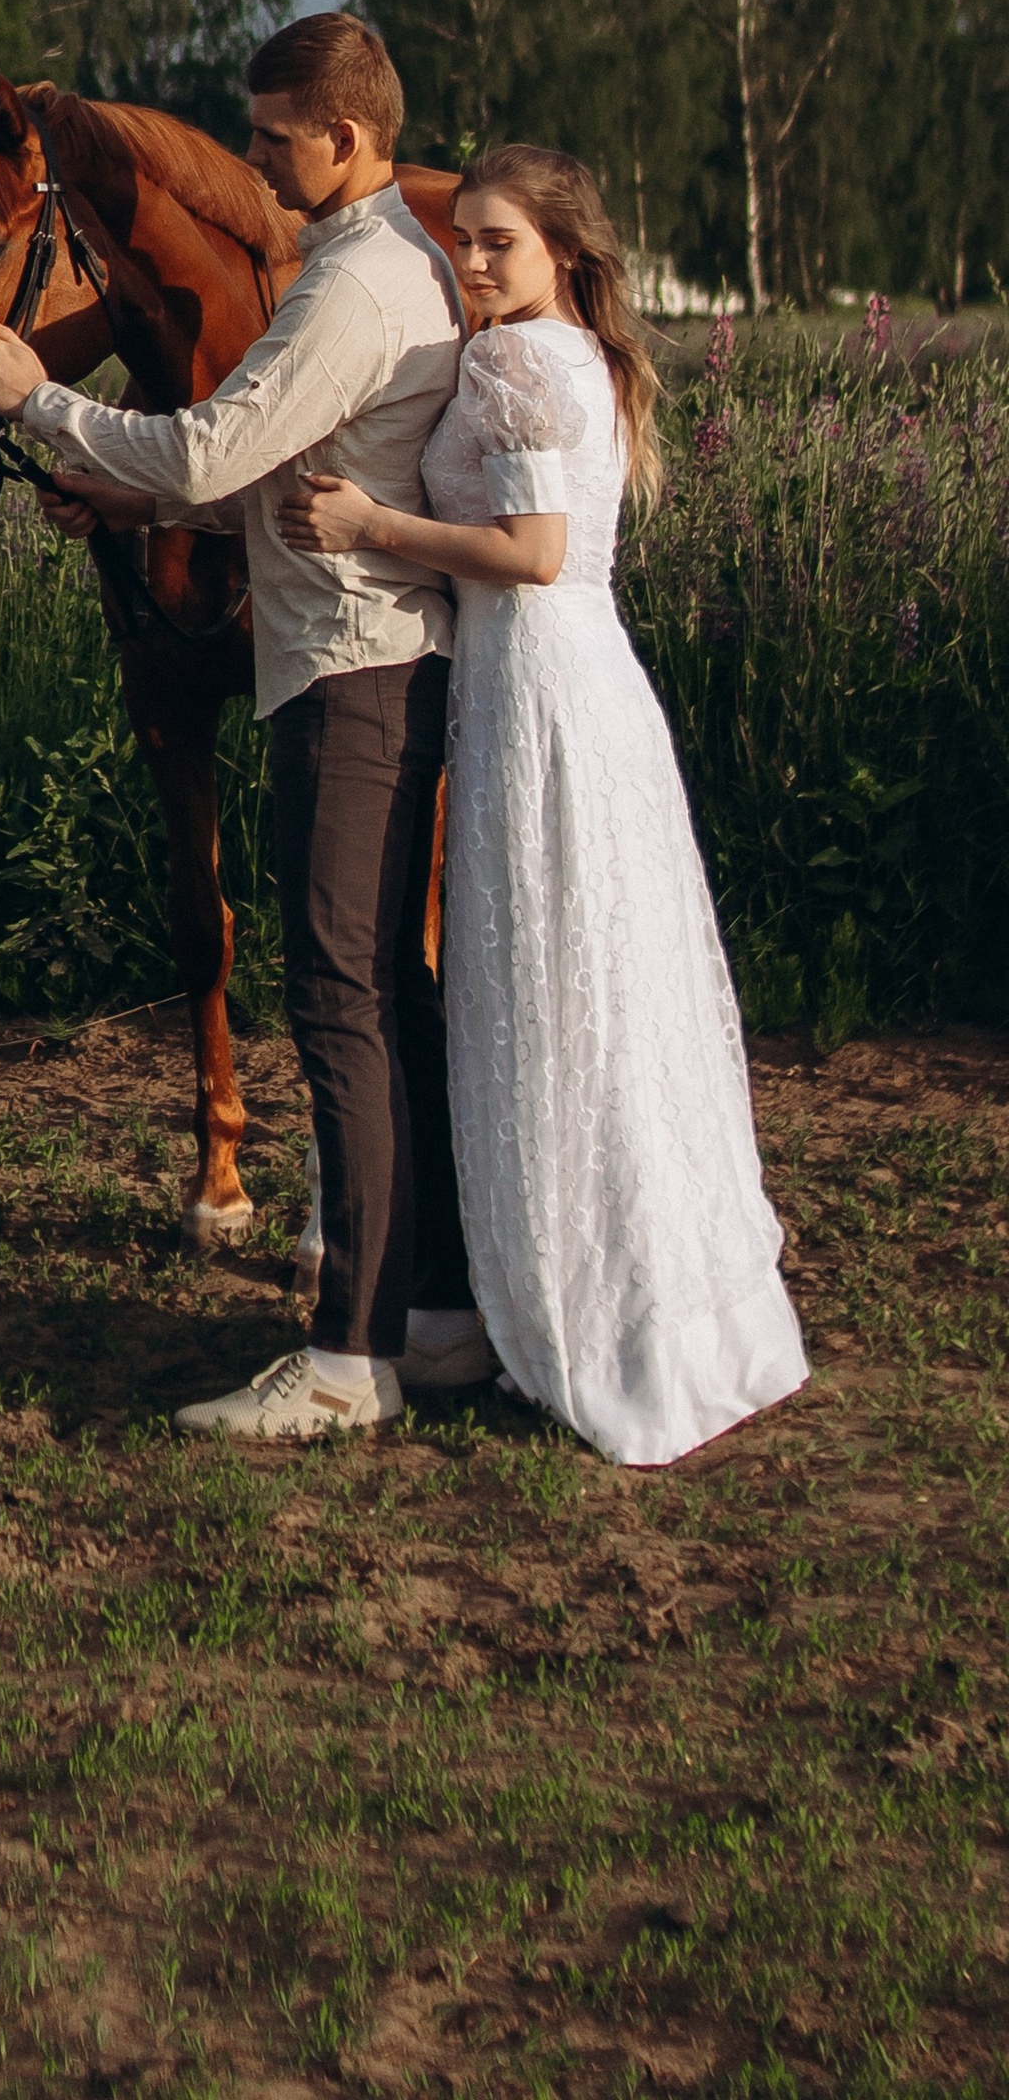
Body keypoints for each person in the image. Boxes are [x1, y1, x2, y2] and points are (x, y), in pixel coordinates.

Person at [0, 11, 487, 1440]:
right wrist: (132, 501)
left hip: (349, 674)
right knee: (391, 1002)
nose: (253, 159)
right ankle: (440, 1314)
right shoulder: (386, 263)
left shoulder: (350, 284)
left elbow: (216, 444)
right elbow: (279, 476)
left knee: (342, 1003)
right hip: (370, 661)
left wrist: (38, 401)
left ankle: (350, 1357)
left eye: (274, 136)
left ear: (345, 138)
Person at [275, 145, 807, 1467]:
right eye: (462, 238)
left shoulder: (518, 360)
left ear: (563, 250)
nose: (470, 262)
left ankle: (573, 1314)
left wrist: (371, 528)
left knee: (552, 993)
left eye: (497, 241)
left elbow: (534, 552)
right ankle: (636, 1306)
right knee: (598, 997)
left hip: (541, 700)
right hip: (576, 689)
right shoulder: (578, 357)